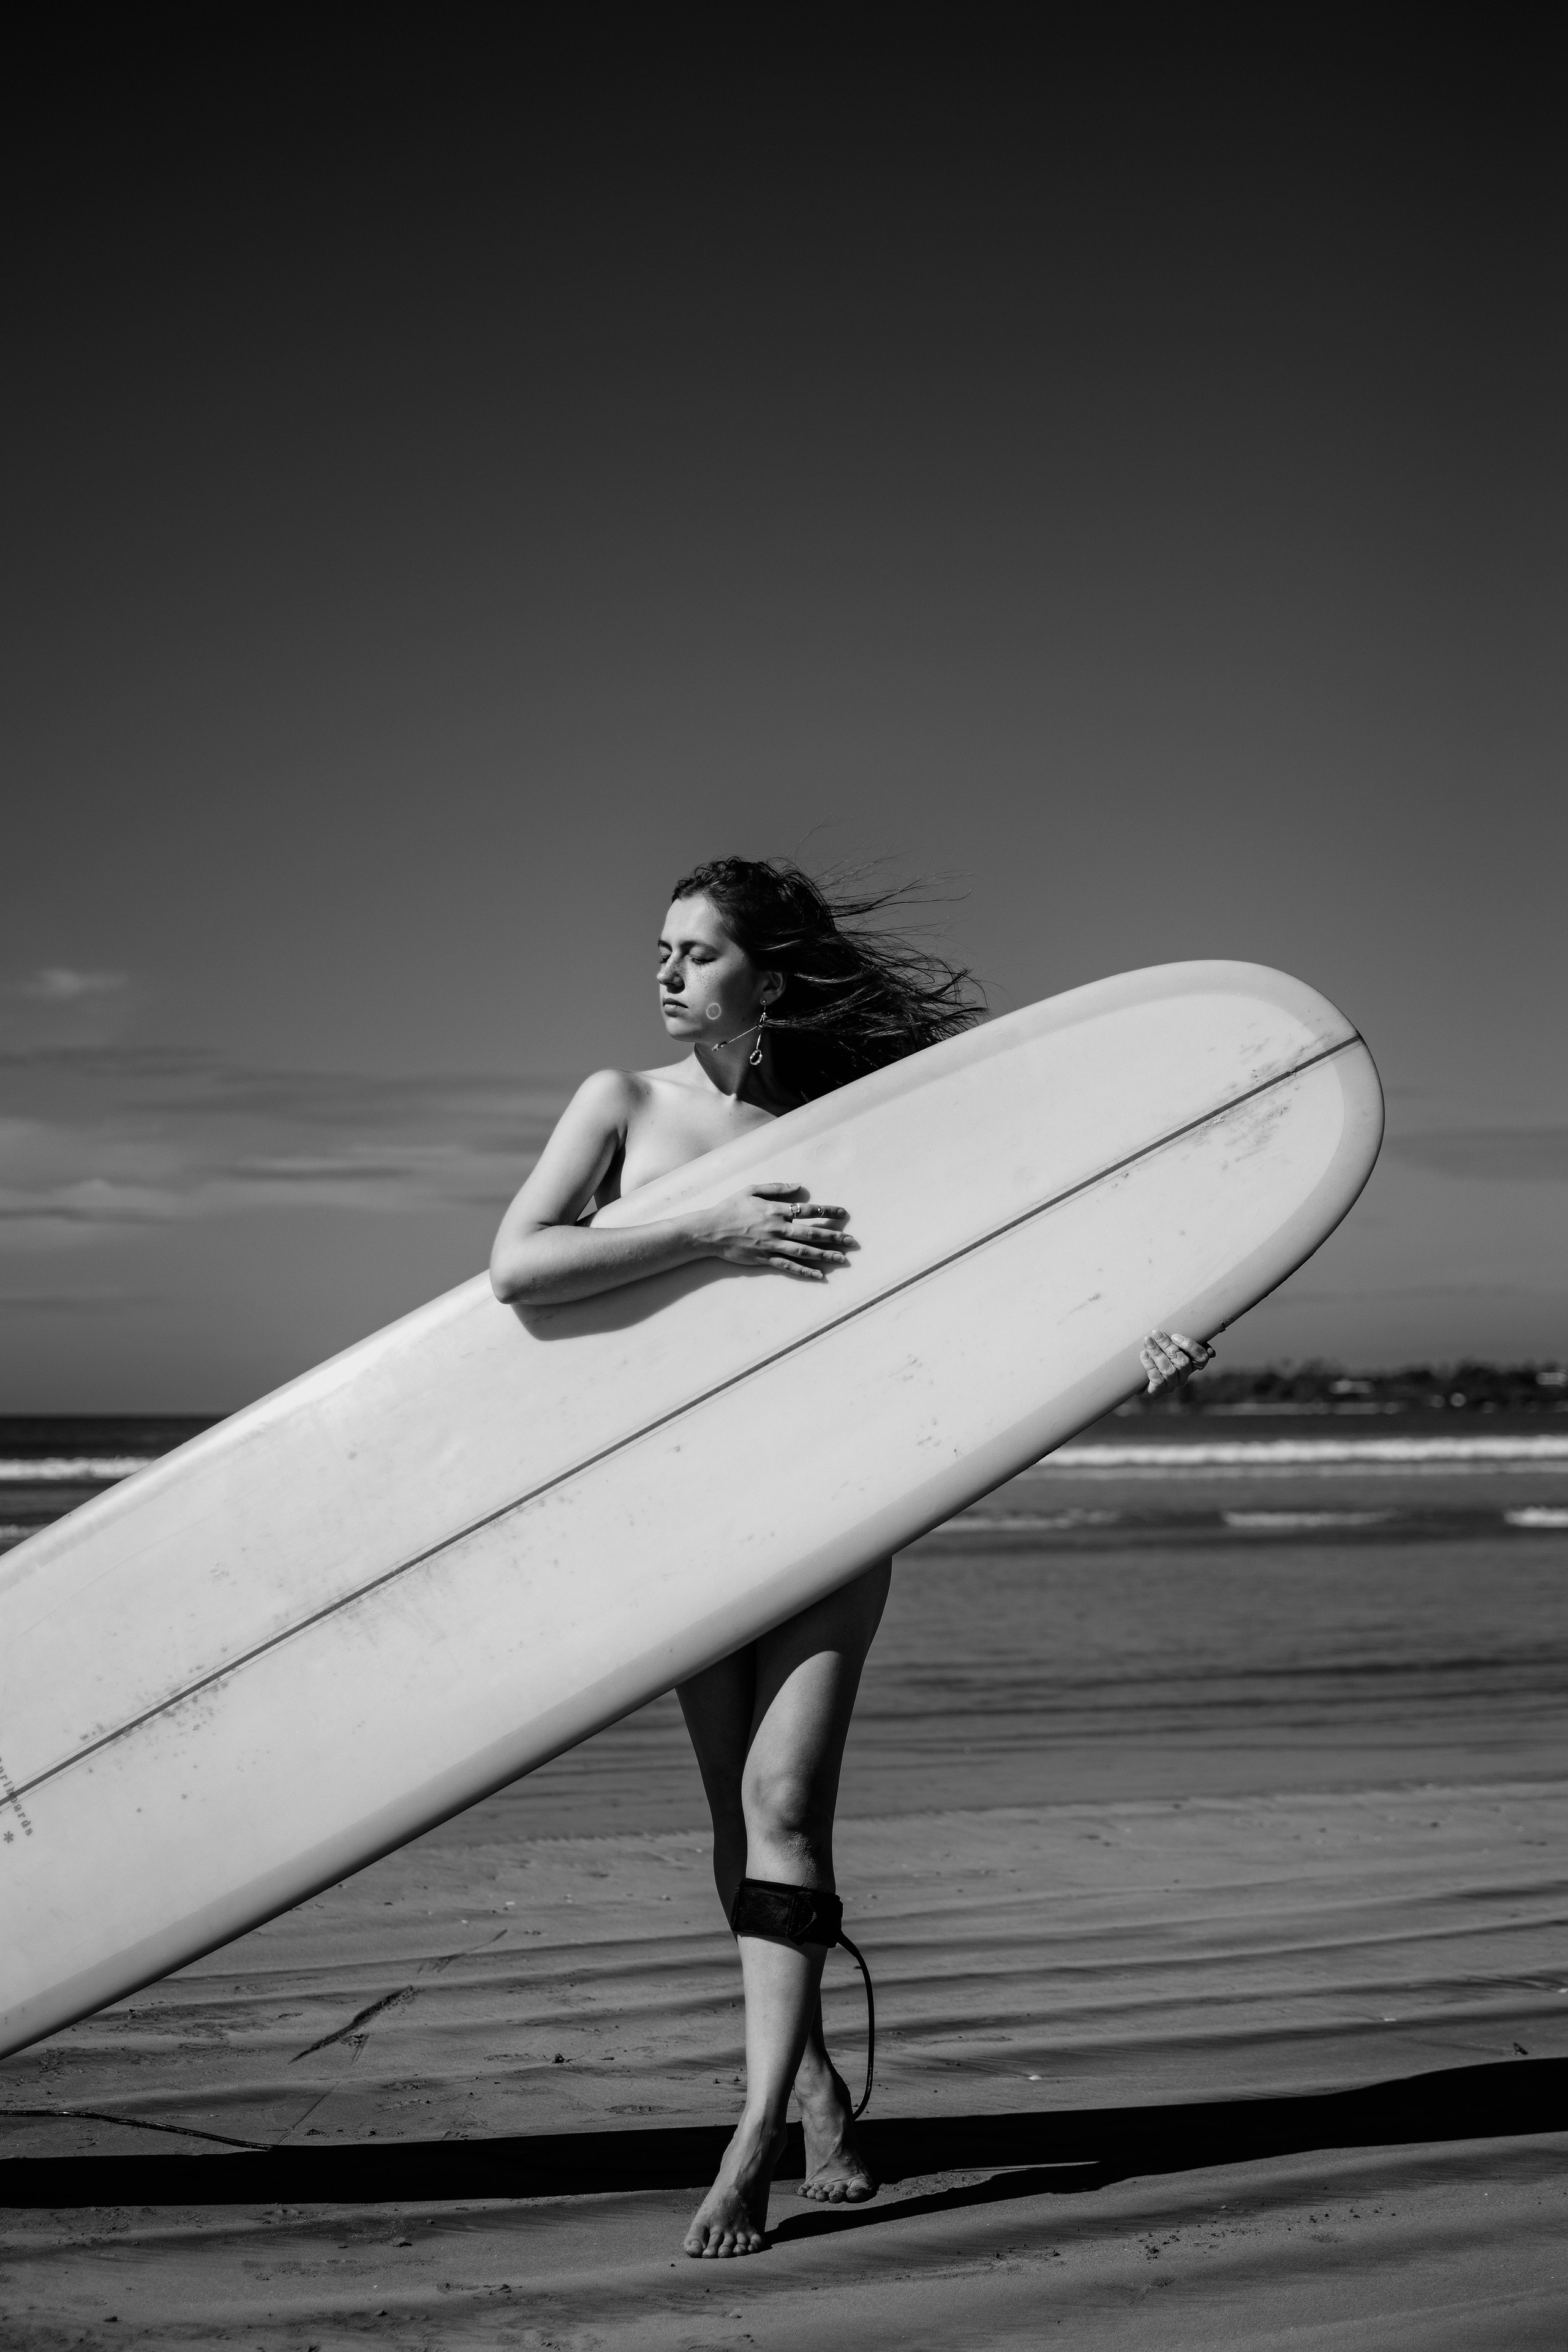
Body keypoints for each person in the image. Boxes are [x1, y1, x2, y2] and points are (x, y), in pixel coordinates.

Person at [489, 857, 1213, 2258]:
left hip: (829, 1499)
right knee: (731, 1817)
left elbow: (980, 1296)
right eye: (661, 949)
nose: (664, 973)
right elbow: (518, 1266)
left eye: (697, 953)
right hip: (673, 1509)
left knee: (783, 1800)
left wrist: (1139, 1342)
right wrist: (707, 1224)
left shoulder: (863, 1133)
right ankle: (812, 2078)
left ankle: (751, 2131)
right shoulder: (622, 1105)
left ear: (768, 973)